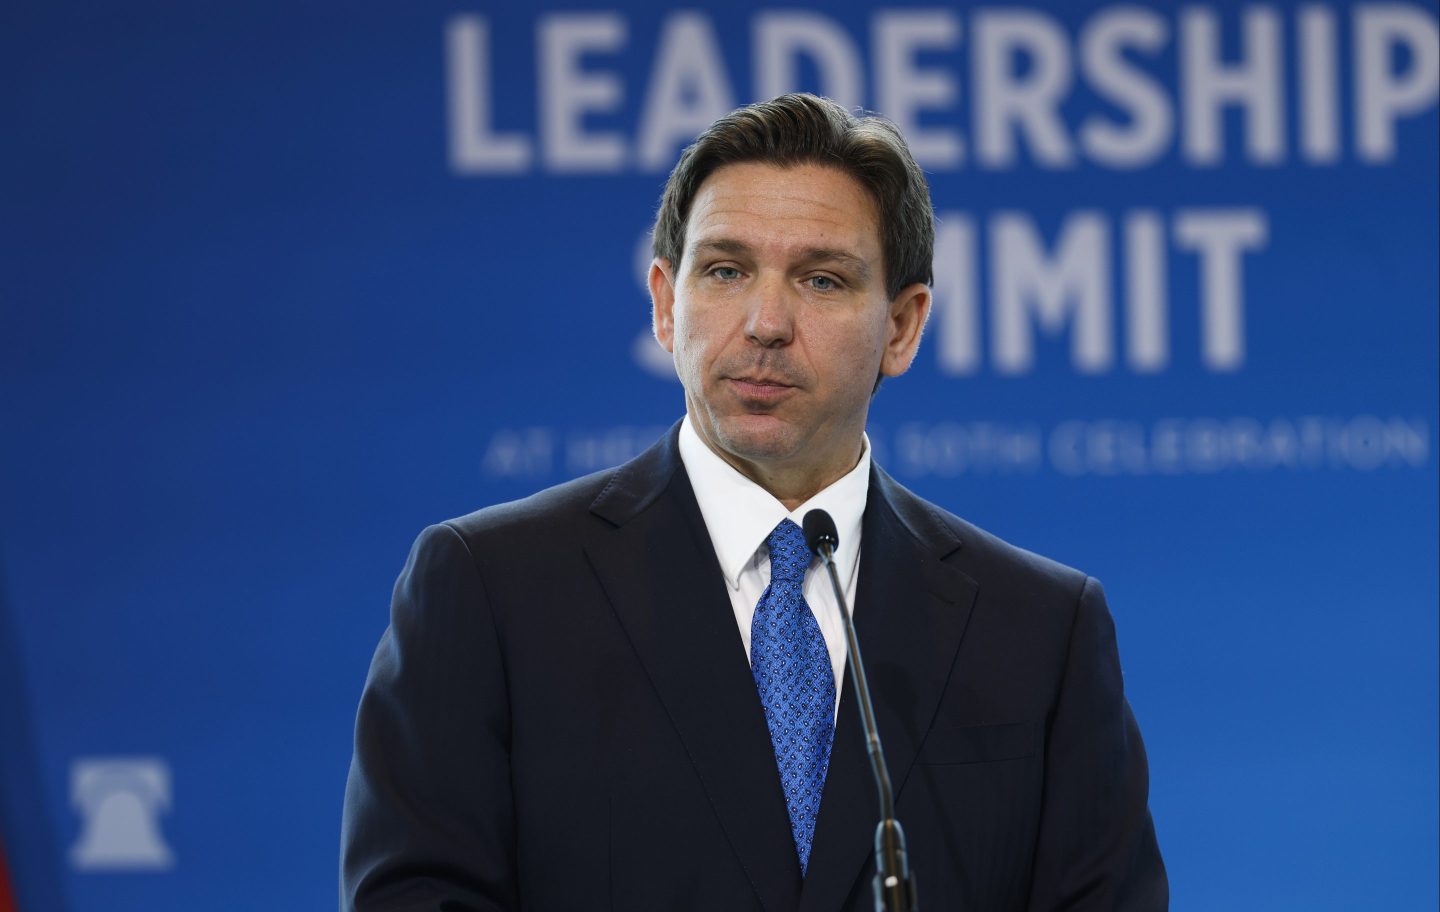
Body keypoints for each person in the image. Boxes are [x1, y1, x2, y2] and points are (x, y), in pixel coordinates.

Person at [340, 93, 1167, 911]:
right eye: (726, 271)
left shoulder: (1039, 630)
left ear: (903, 326)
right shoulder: (493, 590)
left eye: (821, 279)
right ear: (666, 304)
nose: (766, 323)